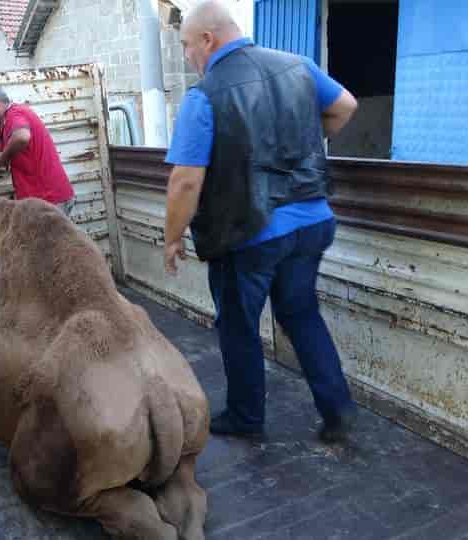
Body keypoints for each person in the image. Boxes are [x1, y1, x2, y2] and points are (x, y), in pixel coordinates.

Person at [163, 1, 359, 442]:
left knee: (238, 325)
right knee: (302, 314)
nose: (187, 56)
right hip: (312, 221)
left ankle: (246, 418)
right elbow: (345, 105)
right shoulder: (298, 65)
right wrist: (306, 138)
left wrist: (172, 237)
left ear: (208, 40)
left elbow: (186, 182)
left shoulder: (206, 95)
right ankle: (338, 411)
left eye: (186, 46)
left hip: (249, 231)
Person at [0, 81, 76, 216]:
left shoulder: (15, 114)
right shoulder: (1, 130)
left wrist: (4, 156)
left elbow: (22, 137)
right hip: (35, 204)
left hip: (50, 201)